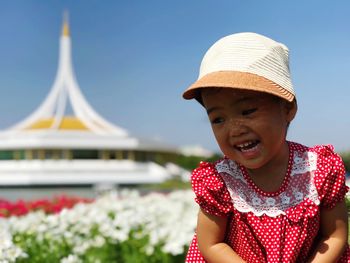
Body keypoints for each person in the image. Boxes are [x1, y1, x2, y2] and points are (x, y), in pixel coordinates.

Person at [182, 32, 349, 263]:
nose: (235, 129)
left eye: (247, 111)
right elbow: (211, 243)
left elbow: (334, 235)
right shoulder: (220, 182)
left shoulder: (319, 170)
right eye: (218, 119)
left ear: (288, 108)